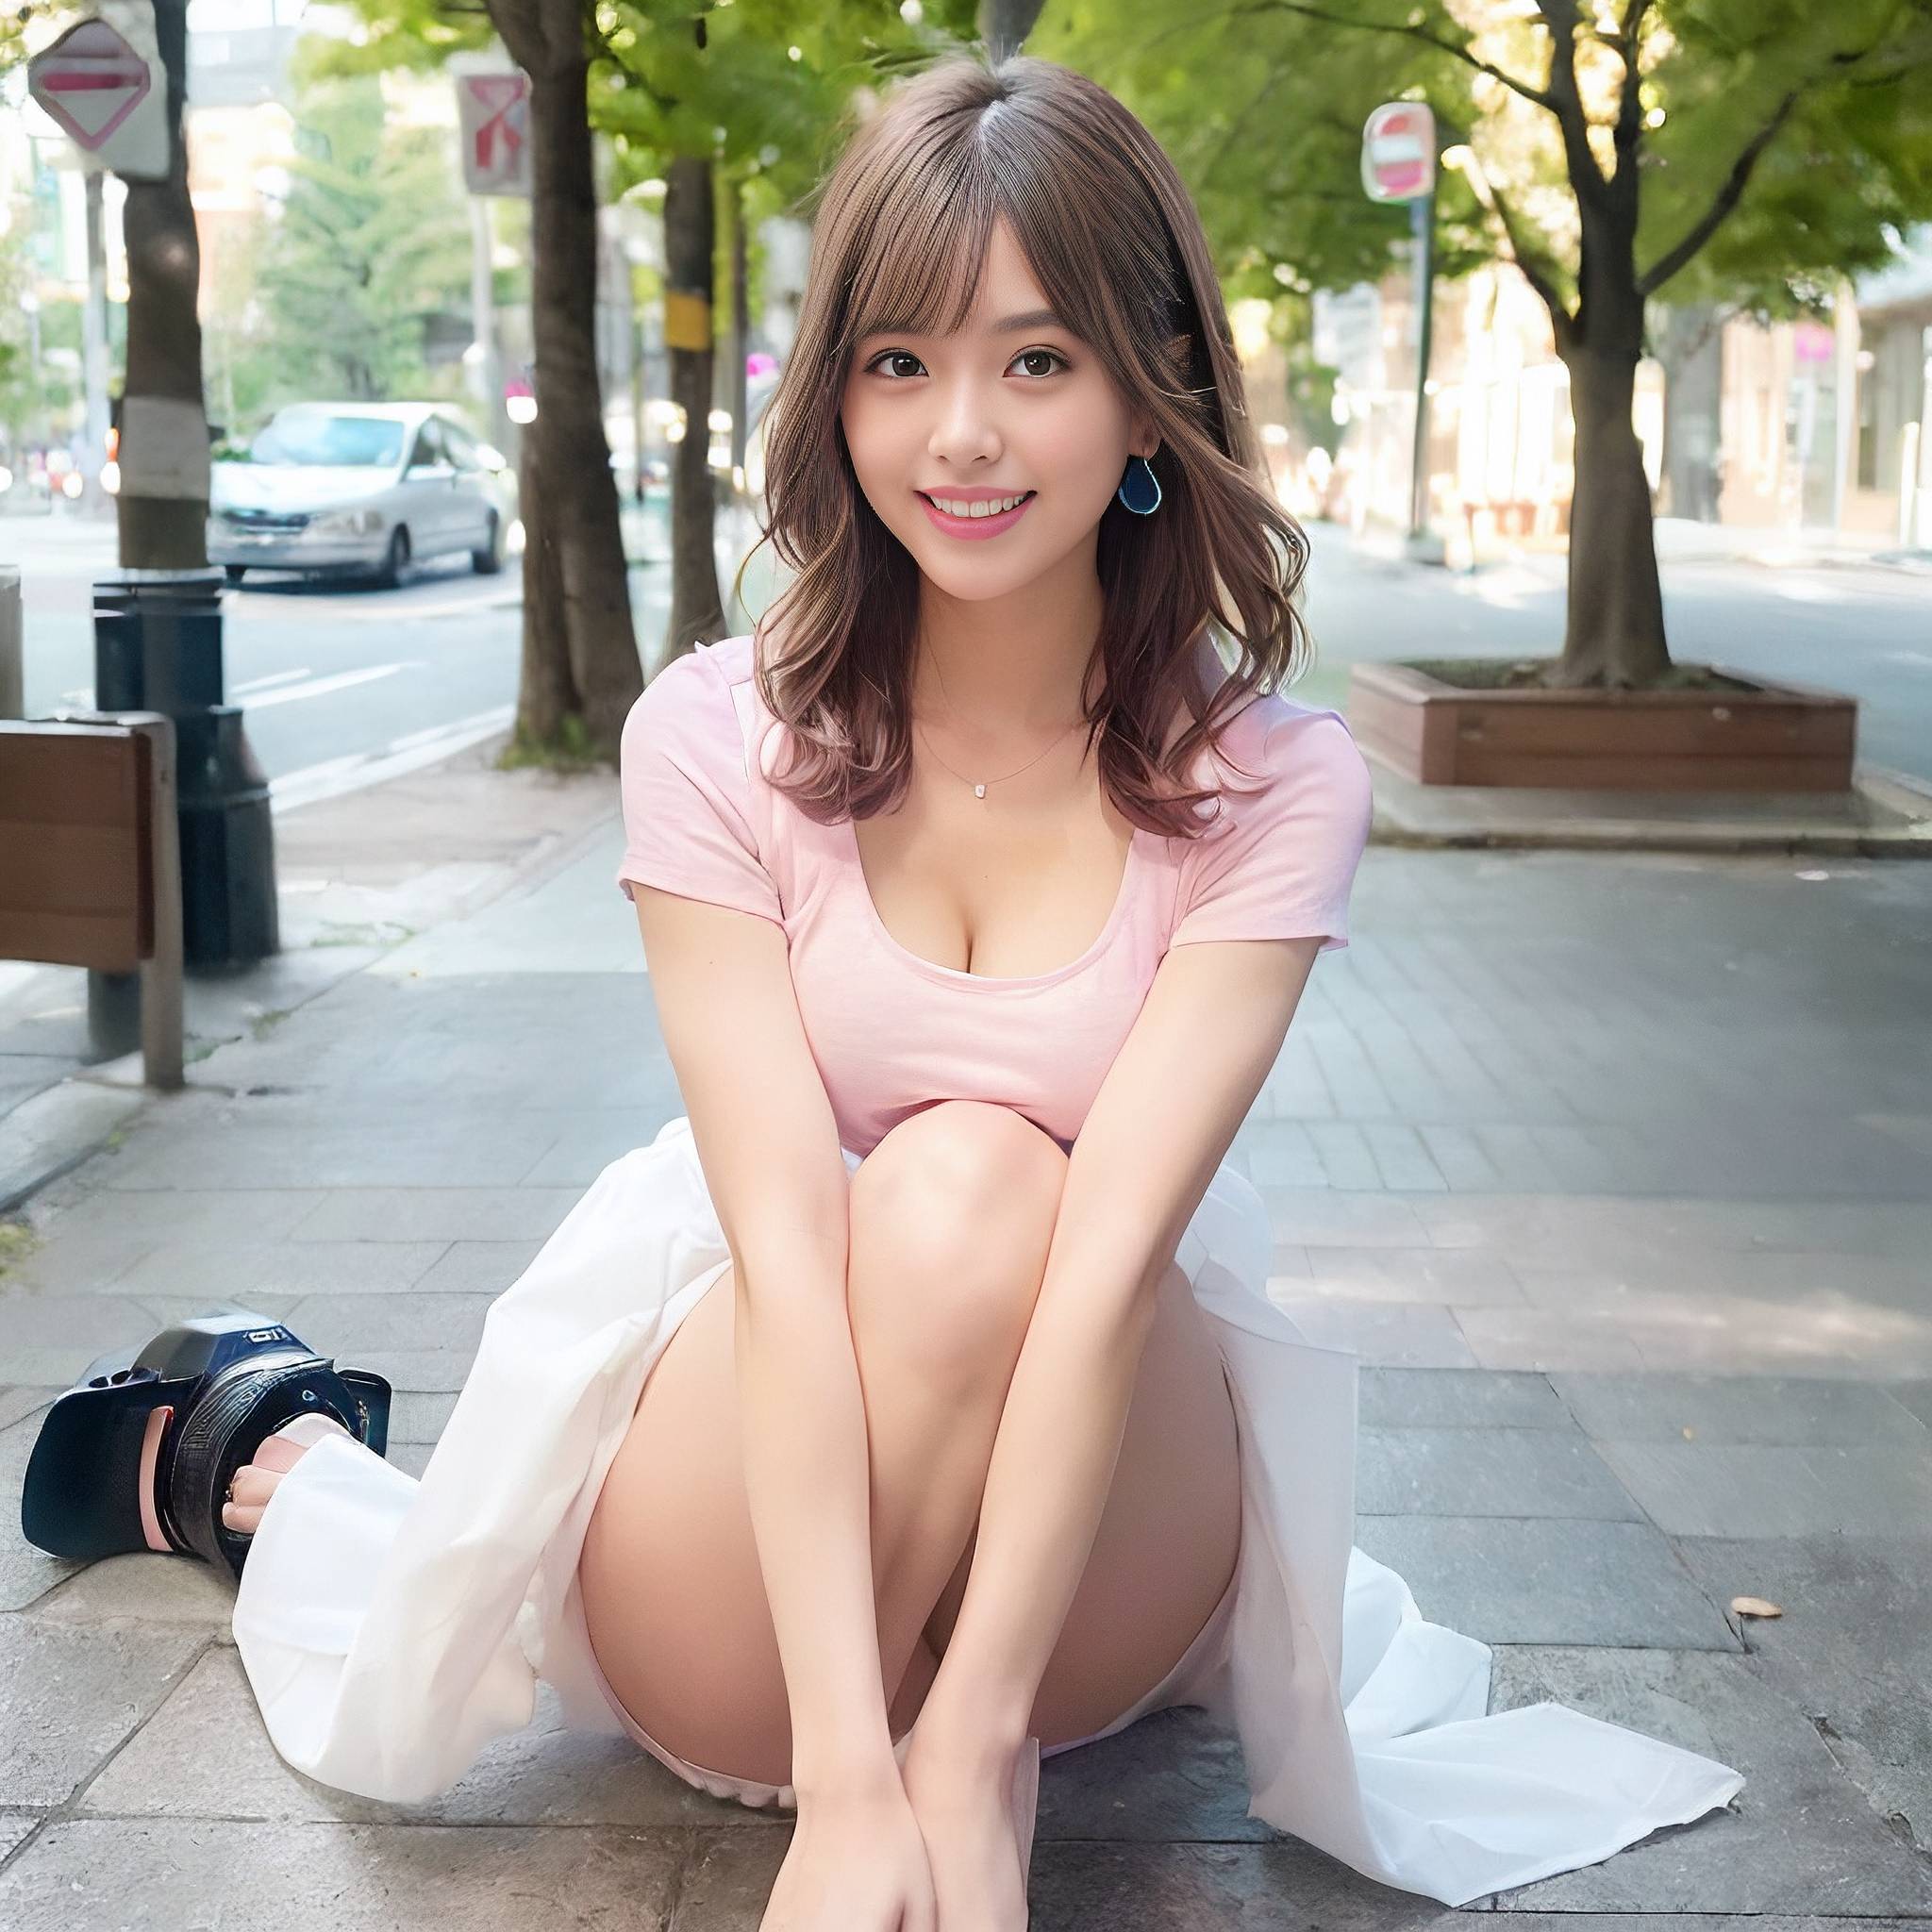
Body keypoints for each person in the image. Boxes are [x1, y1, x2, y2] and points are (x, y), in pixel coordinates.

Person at [222, 49, 1743, 1932]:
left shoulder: (1270, 786)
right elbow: (785, 1260)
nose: (960, 432)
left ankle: (975, 1738)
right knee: (938, 1188)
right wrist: (851, 1779)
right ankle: (827, 1732)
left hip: (1097, 1547)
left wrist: (970, 1742)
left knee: (1010, 1190)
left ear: (1149, 390)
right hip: (756, 1549)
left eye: (1035, 360)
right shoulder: (715, 738)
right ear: (836, 390)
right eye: (898, 362)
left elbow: (1108, 1272)